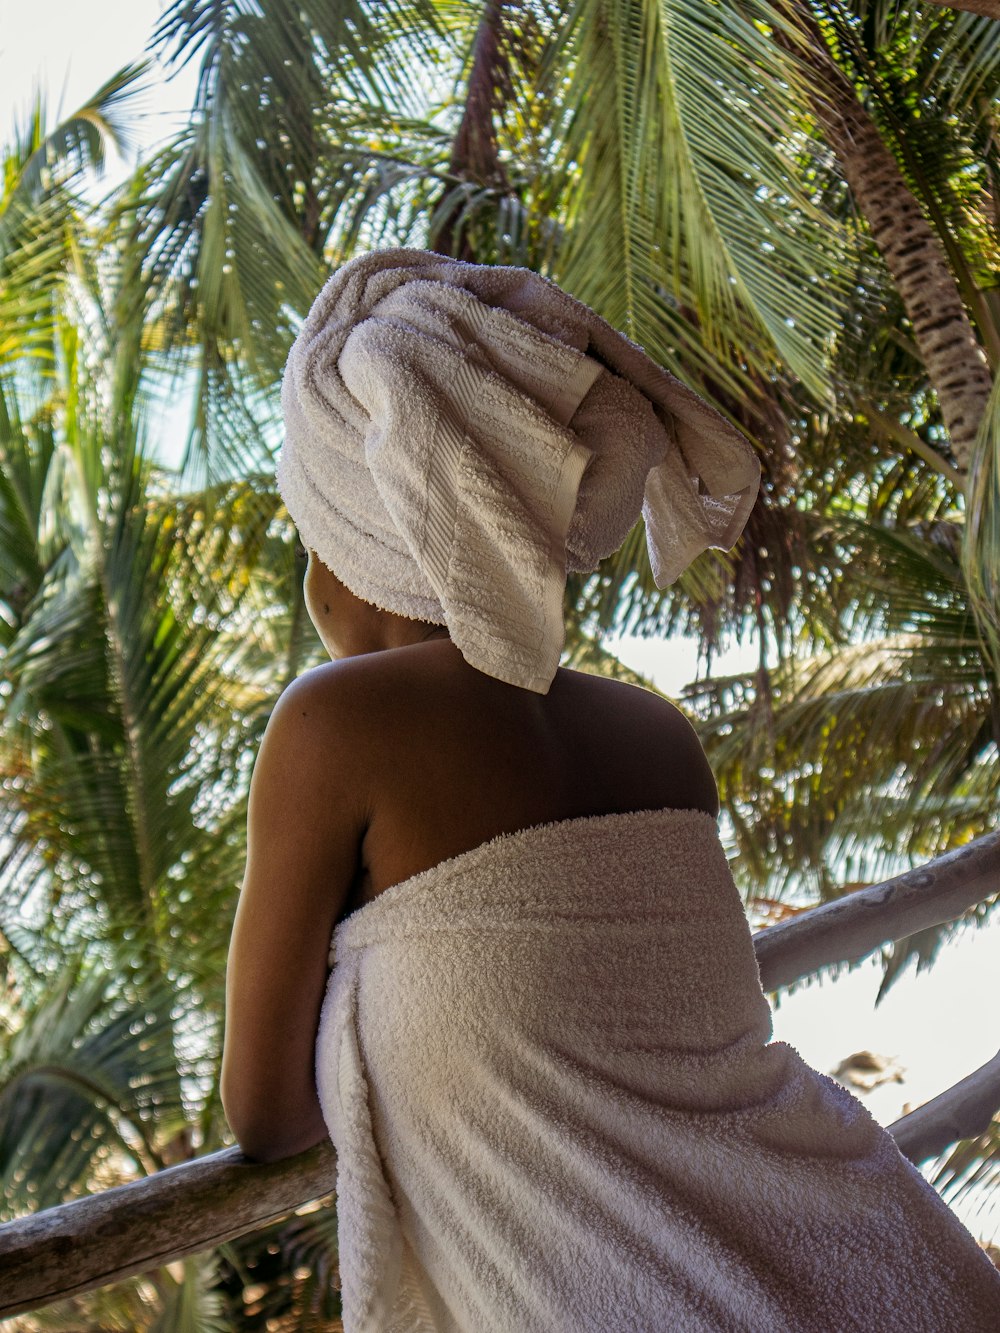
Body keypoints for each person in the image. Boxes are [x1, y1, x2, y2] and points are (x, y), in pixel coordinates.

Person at [221, 249, 1000, 1331]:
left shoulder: (334, 724)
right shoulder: (655, 735)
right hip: (891, 1267)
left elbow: (266, 1114)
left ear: (342, 533)